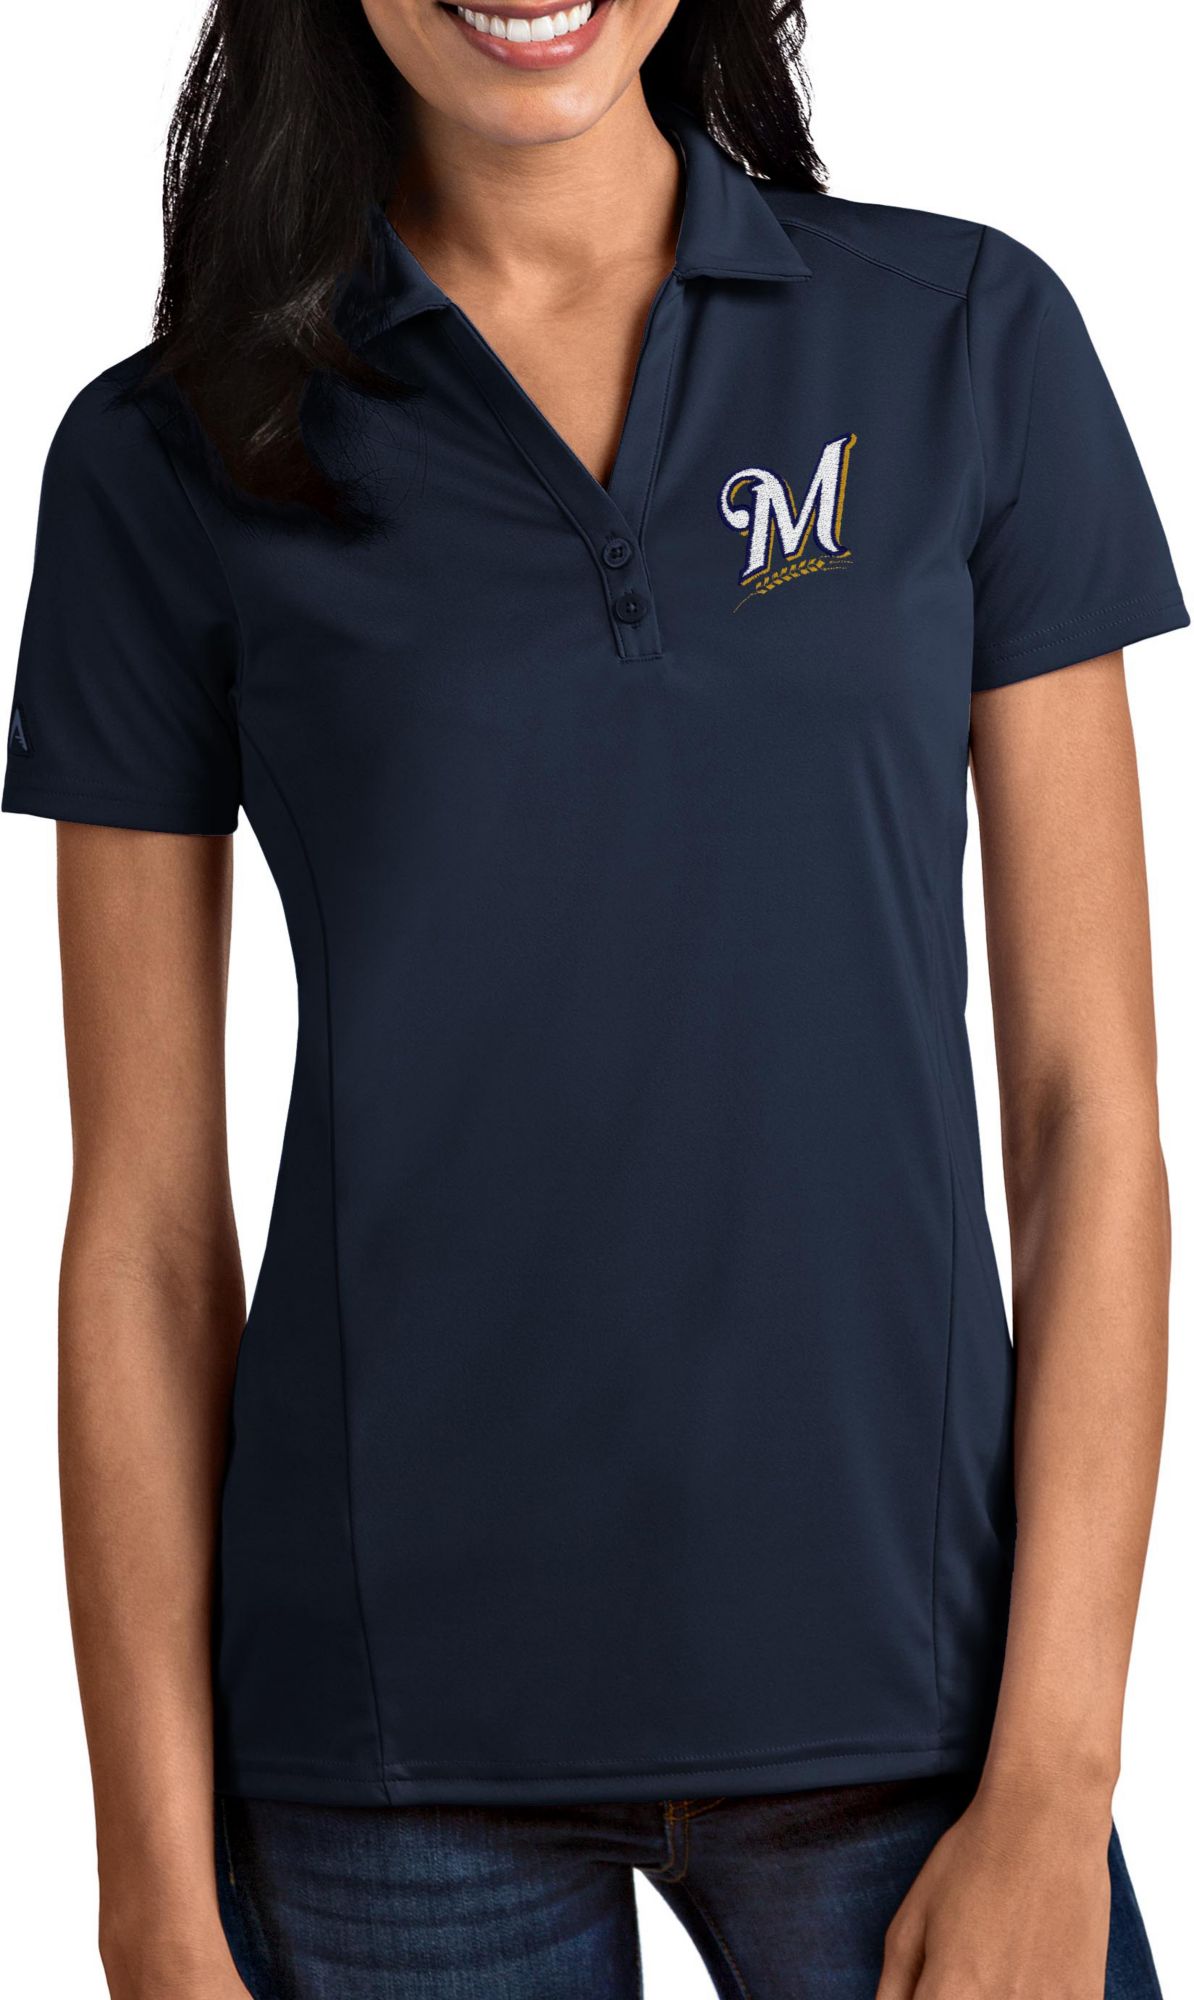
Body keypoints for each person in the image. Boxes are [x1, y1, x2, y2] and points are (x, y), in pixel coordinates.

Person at [3, 0, 1187, 1993]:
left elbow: (1090, 1116)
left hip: (906, 1709)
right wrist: (145, 1888)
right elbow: (141, 1228)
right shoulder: (168, 450)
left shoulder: (961, 341)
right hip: (386, 1749)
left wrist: (1056, 1779)